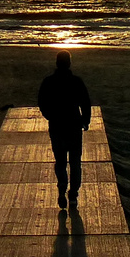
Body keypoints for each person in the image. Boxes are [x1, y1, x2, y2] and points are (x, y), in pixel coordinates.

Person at [37, 50, 92, 210]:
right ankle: (73, 194)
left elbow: (42, 102)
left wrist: (50, 116)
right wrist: (85, 120)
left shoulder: (48, 81)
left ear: (56, 63)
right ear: (69, 63)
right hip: (74, 125)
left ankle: (62, 186)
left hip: (57, 125)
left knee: (60, 161)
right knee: (75, 162)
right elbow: (85, 102)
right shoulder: (76, 81)